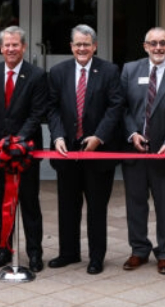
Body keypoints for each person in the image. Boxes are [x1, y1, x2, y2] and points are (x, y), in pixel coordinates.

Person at [46, 24, 123, 275]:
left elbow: (115, 108)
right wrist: (56, 135)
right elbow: (53, 108)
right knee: (67, 205)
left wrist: (99, 137)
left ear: (95, 46)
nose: (82, 48)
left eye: (86, 44)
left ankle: (96, 257)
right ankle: (68, 252)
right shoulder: (58, 72)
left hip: (98, 152)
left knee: (97, 207)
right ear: (71, 46)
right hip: (66, 151)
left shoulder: (110, 71)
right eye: (78, 44)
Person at [119, 27, 165, 275]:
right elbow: (123, 108)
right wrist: (132, 134)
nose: (158, 48)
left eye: (162, 43)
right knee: (136, 204)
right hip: (135, 152)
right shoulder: (129, 70)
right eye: (153, 43)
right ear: (145, 46)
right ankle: (139, 250)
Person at [0, 26, 48, 272]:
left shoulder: (37, 75)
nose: (11, 49)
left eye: (15, 45)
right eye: (6, 45)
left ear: (24, 47)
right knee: (4, 202)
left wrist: (17, 141)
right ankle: (4, 250)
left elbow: (37, 113)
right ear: (0, 48)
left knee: (29, 203)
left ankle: (35, 253)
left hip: (26, 152)